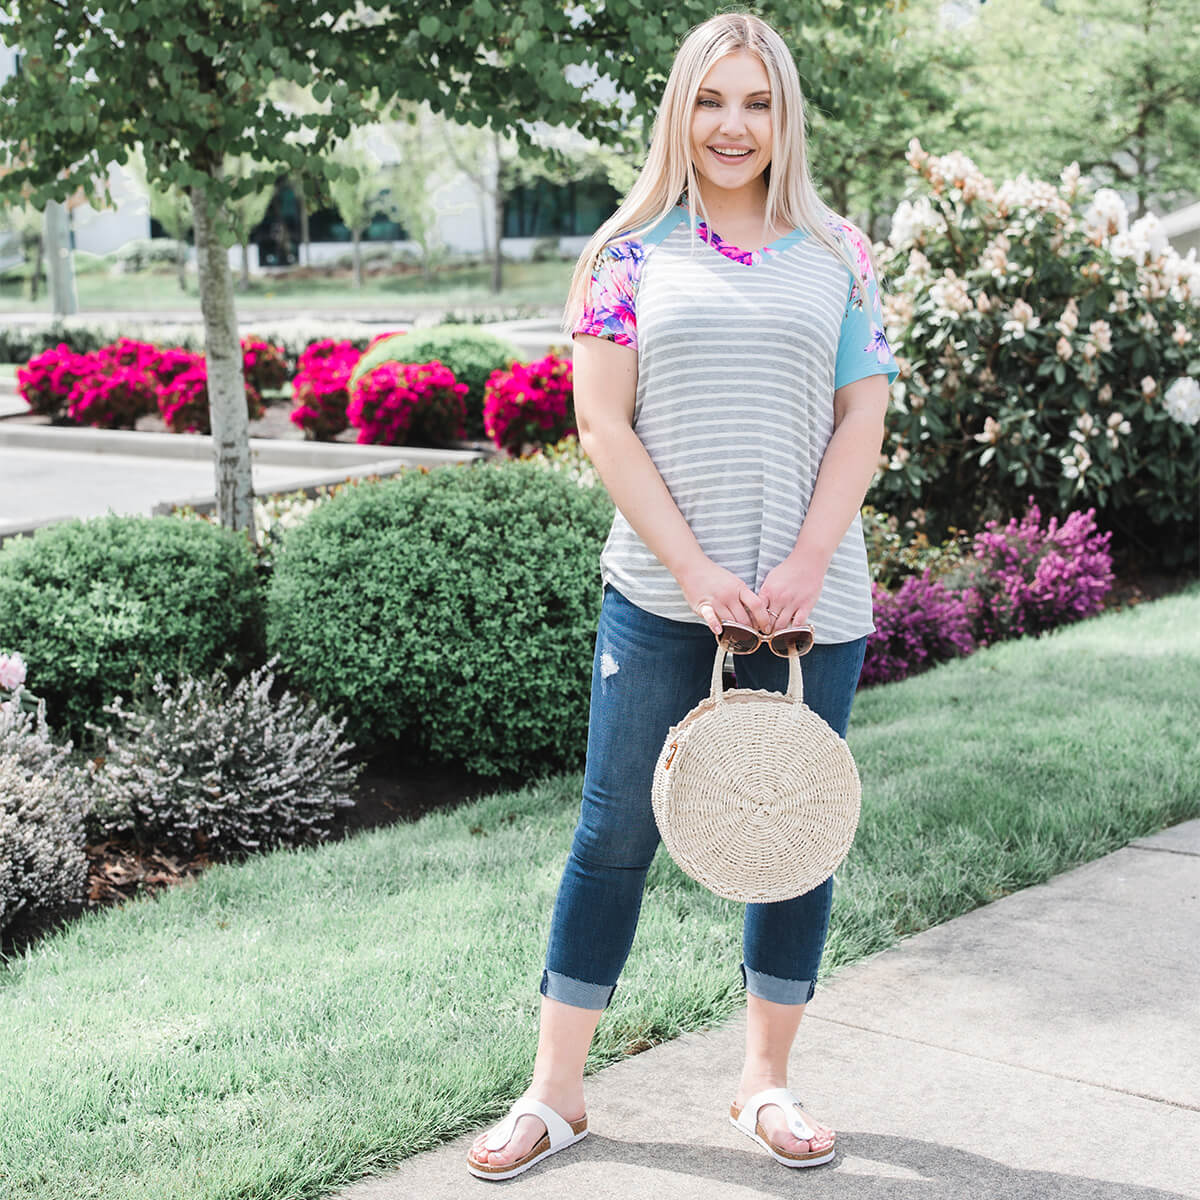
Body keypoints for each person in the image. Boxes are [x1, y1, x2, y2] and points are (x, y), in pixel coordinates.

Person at [467, 10, 897, 1181]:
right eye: (713, 100)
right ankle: (557, 1096)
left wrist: (806, 561)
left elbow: (865, 414)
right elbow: (601, 424)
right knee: (614, 833)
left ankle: (764, 1083)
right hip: (662, 597)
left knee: (793, 834)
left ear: (785, 116)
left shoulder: (840, 250)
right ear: (681, 110)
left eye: (757, 102)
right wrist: (700, 573)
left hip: (813, 605)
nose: (733, 125)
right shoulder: (627, 252)